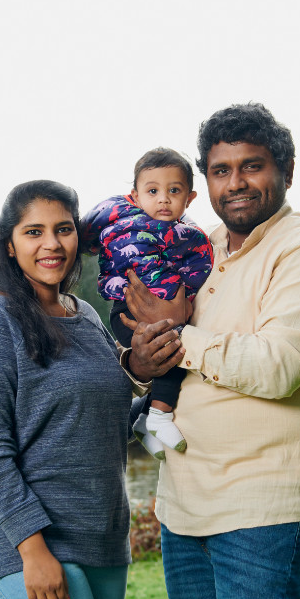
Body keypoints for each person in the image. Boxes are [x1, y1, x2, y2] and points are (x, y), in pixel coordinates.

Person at [123, 103, 300, 599]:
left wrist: (179, 338)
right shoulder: (194, 249)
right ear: (204, 179)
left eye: (252, 166)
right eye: (220, 170)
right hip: (184, 510)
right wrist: (141, 357)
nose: (236, 183)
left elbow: (279, 367)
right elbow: (157, 350)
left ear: (286, 171)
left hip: (266, 510)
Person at [0, 180, 134, 599]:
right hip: (24, 542)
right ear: (9, 245)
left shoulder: (85, 315)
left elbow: (104, 419)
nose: (52, 244)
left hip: (101, 536)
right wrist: (33, 550)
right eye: (34, 232)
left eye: (63, 229)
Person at [82, 147, 213, 459]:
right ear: (136, 195)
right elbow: (85, 228)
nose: (163, 199)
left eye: (174, 191)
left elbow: (201, 265)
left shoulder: (189, 234)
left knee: (178, 347)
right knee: (171, 348)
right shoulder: (117, 211)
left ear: (190, 198)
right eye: (153, 191)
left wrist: (187, 301)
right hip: (126, 310)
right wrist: (86, 245)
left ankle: (146, 419)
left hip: (169, 307)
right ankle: (158, 416)